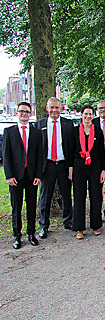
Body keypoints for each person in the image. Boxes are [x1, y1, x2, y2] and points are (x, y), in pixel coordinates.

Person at [3, 102, 43, 249]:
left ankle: (31, 233)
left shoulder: (36, 133)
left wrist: (39, 175)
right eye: (21, 111)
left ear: (30, 113)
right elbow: (6, 156)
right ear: (17, 113)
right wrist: (8, 176)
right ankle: (16, 236)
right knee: (16, 207)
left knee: (32, 206)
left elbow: (40, 155)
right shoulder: (9, 132)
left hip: (31, 176)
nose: (24, 114)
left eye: (26, 111)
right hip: (15, 177)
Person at [35, 97, 74, 239]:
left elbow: (71, 147)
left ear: (61, 108)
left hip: (63, 164)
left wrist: (71, 167)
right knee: (45, 197)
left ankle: (68, 221)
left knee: (66, 195)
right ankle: (44, 226)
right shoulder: (39, 125)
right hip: (47, 166)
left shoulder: (68, 124)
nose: (54, 110)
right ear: (47, 108)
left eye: (57, 107)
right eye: (51, 107)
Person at [68, 105, 105, 239]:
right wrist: (70, 168)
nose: (88, 116)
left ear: (93, 115)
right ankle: (79, 228)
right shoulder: (74, 131)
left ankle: (95, 226)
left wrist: (103, 170)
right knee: (79, 197)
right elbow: (70, 151)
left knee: (96, 196)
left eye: (90, 114)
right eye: (86, 114)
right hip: (79, 166)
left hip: (95, 166)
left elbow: (102, 152)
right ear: (81, 115)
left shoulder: (98, 131)